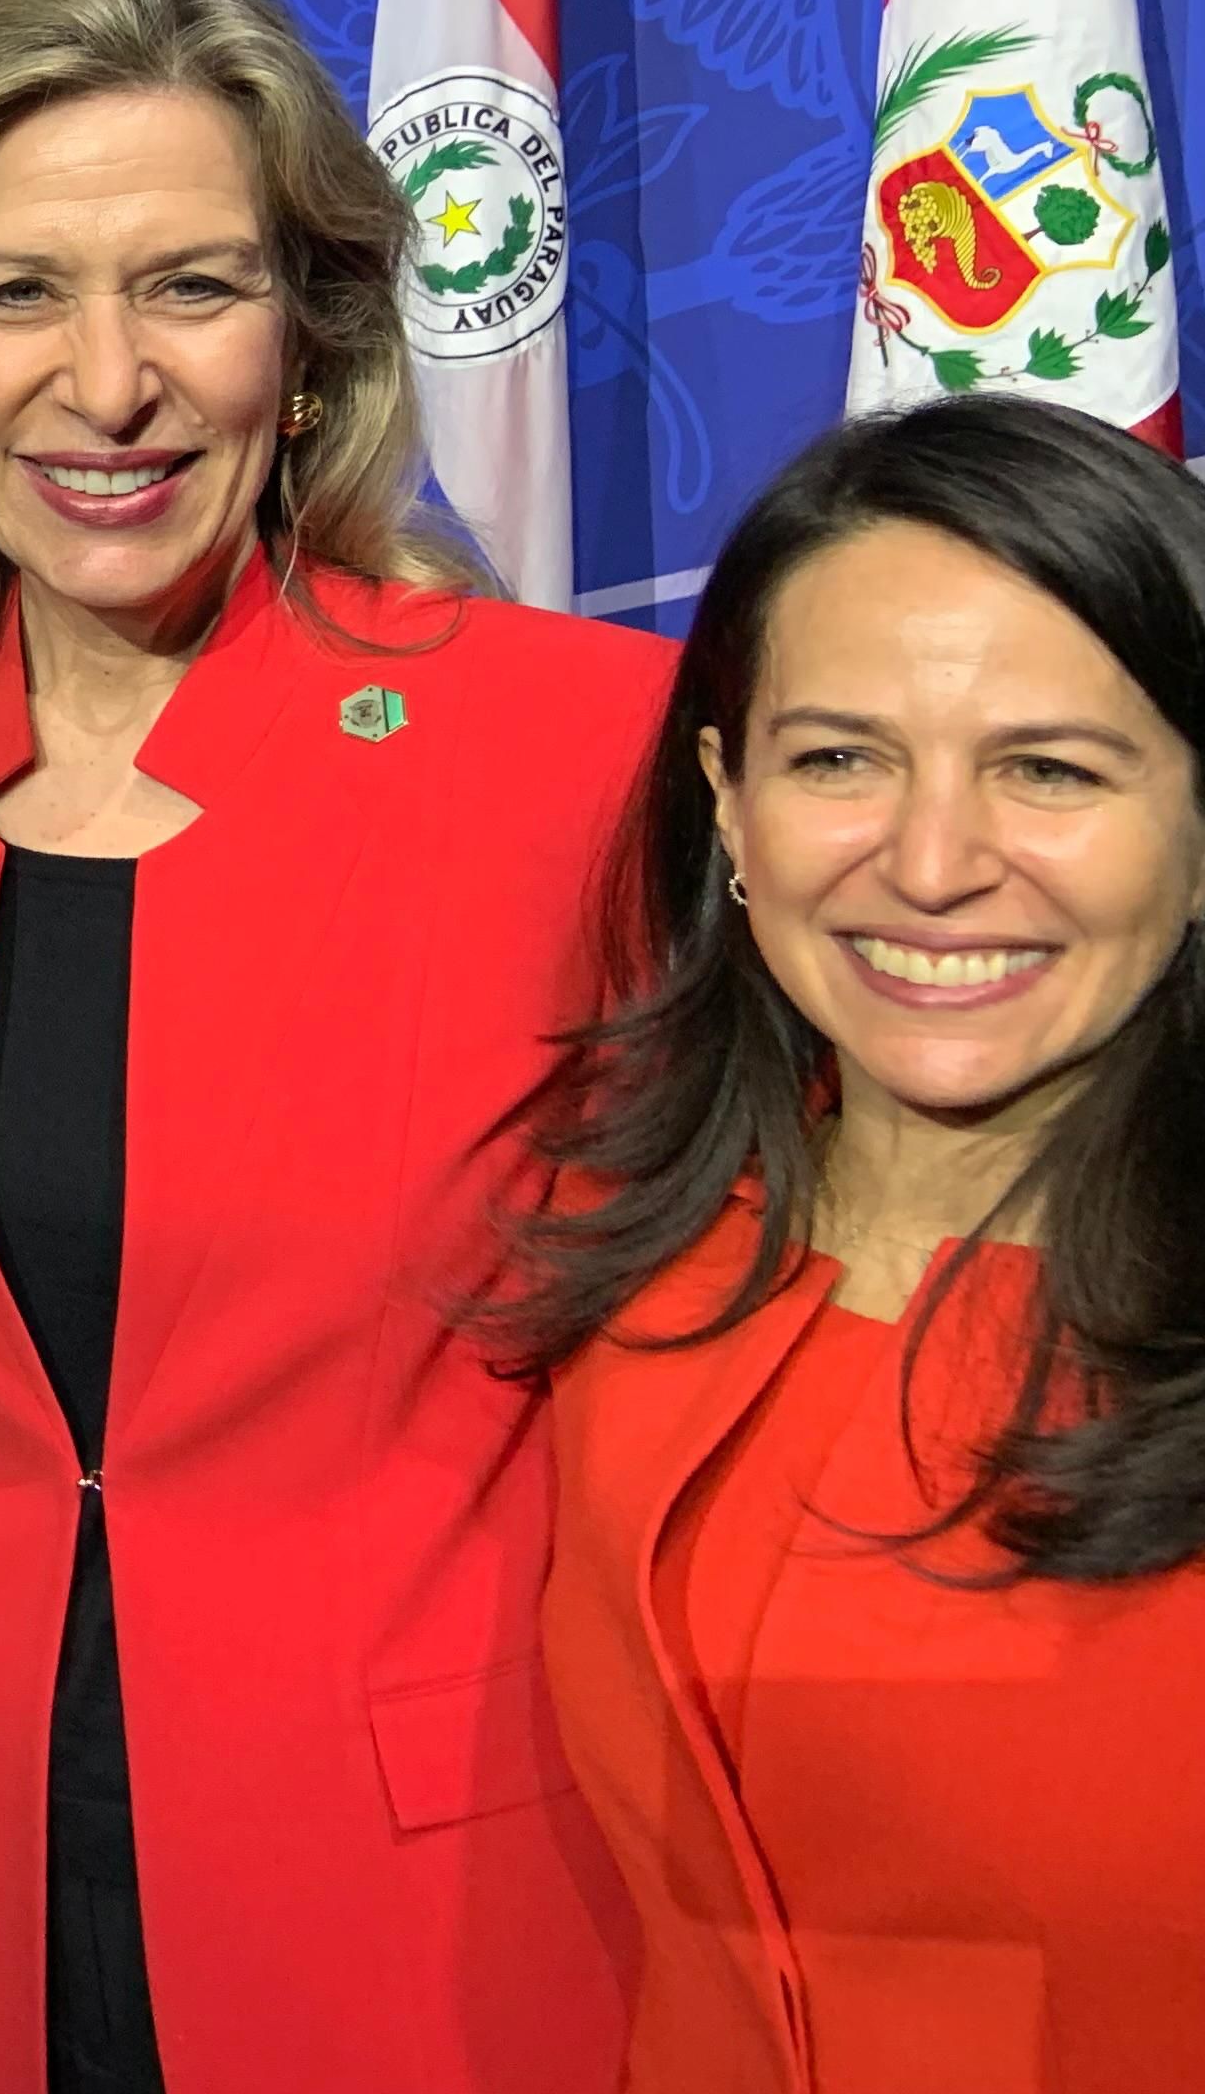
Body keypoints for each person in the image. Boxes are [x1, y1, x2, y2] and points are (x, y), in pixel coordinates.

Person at [0, 0, 662, 2094]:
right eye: (20, 291)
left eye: (194, 287)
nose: (107, 383)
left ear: (312, 344)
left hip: (414, 1919)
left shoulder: (576, 750)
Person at [500, 395, 1205, 2093]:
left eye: (1048, 768)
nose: (933, 864)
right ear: (726, 804)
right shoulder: (631, 1244)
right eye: (838, 759)